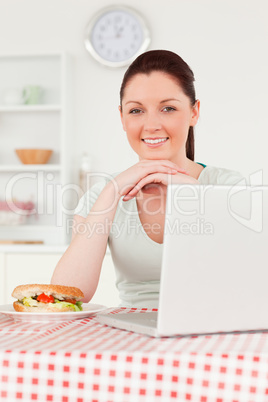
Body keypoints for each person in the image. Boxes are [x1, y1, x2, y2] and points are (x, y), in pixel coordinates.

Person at [51, 49, 243, 308]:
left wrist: (200, 197)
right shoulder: (103, 194)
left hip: (215, 328)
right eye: (136, 111)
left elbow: (245, 280)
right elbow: (68, 295)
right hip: (133, 333)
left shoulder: (229, 187)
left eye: (168, 108)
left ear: (194, 112)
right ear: (122, 117)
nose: (151, 125)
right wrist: (112, 192)